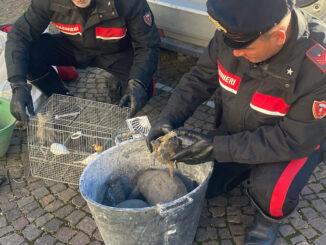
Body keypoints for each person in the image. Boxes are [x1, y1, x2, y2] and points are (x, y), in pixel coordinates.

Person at [146, 0, 326, 244]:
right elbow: (199, 78)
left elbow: (293, 139)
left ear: (279, 37)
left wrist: (217, 148)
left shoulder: (318, 68)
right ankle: (241, 168)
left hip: (290, 144)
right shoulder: (236, 35)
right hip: (236, 129)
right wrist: (168, 118)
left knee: (270, 191)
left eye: (244, 48)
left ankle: (268, 221)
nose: (235, 52)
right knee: (205, 185)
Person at [5, 0, 161, 122]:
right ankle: (61, 98)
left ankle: (119, 90)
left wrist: (138, 83)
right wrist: (18, 85)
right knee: (32, 53)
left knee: (144, 89)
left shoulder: (129, 2)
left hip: (115, 53)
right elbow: (19, 36)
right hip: (73, 46)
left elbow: (148, 45)